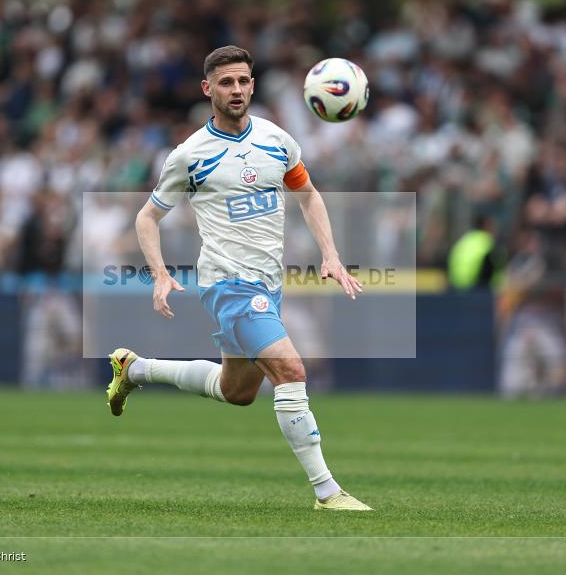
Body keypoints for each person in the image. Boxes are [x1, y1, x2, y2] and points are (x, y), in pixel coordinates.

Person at [106, 46, 371, 511]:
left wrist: (330, 254)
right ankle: (328, 493)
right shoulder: (190, 155)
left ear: (253, 85)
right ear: (208, 89)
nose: (236, 90)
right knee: (291, 371)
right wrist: (161, 275)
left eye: (244, 81)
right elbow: (147, 218)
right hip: (227, 285)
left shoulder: (277, 140)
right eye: (226, 82)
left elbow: (308, 195)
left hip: (268, 283)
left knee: (238, 392)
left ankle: (136, 369)